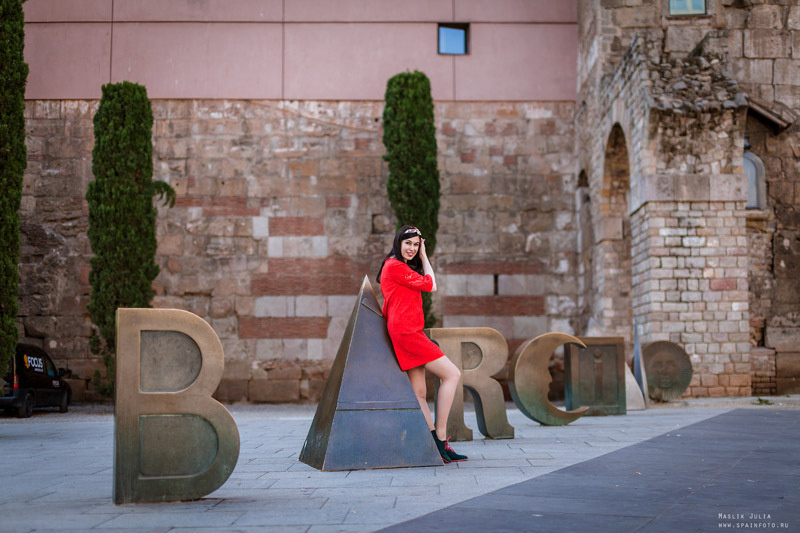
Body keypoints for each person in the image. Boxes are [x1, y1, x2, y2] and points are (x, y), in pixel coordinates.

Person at [377, 225, 467, 463]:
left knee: (419, 392)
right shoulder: (394, 266)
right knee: (452, 374)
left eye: (416, 245)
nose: (412, 249)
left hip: (406, 331)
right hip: (407, 332)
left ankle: (436, 446)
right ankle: (441, 435)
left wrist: (421, 253)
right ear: (398, 242)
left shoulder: (398, 266)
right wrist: (425, 256)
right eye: (408, 243)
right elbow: (431, 284)